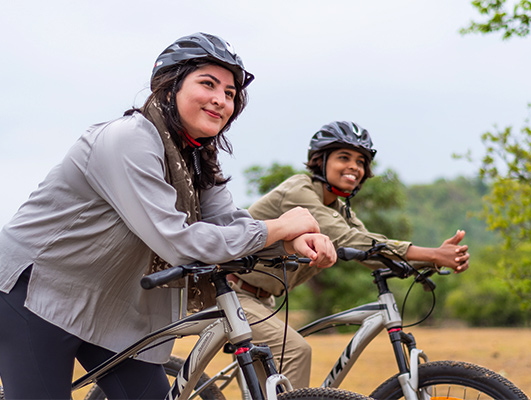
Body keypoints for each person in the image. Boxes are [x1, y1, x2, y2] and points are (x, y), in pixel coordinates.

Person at [0, 33, 336, 400]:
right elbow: (180, 242)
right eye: (208, 84)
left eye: (229, 93)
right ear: (169, 87)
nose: (220, 99)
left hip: (112, 307)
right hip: (36, 293)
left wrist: (289, 239)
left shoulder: (197, 159)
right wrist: (279, 225)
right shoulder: (129, 140)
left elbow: (226, 224)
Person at [230, 121, 470, 388]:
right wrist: (434, 254)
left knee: (267, 386)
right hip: (231, 290)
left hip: (263, 301)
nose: (354, 167)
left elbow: (369, 248)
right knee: (297, 351)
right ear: (319, 161)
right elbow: (348, 239)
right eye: (344, 157)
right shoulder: (299, 190)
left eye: (361, 161)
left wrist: (431, 261)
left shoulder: (339, 208)